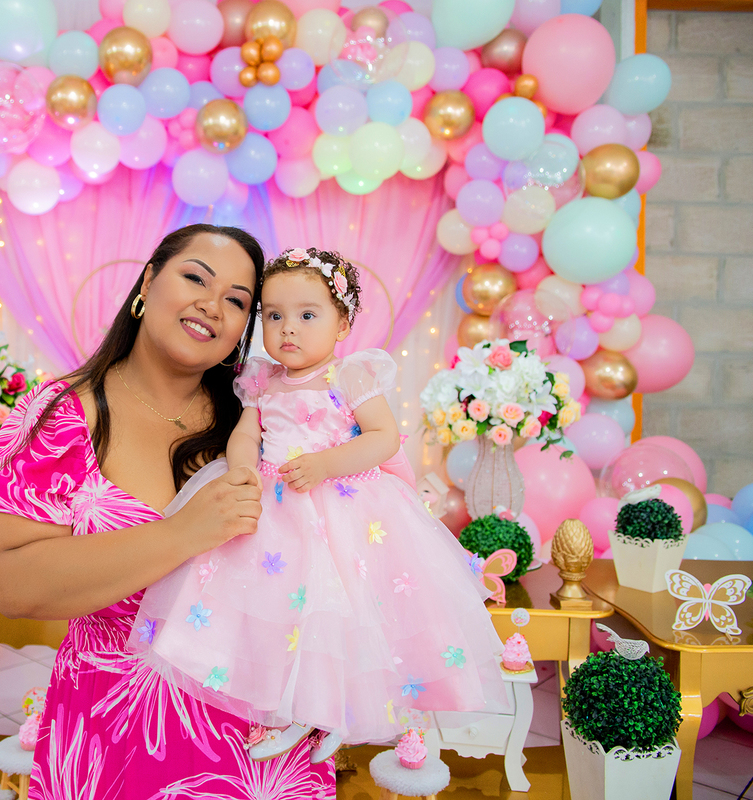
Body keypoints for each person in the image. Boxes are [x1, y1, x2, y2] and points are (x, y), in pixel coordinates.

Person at [0, 225, 337, 798]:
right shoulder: (62, 414)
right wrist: (183, 534)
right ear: (148, 281)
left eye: (238, 301)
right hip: (116, 738)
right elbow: (14, 585)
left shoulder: (270, 421)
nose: (211, 305)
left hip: (261, 748)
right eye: (195, 277)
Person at [131, 247, 509, 763]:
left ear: (342, 324)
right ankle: (288, 708)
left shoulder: (348, 376)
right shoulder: (262, 381)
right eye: (274, 315)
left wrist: (328, 464)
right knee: (278, 614)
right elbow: (246, 435)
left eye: (307, 316)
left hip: (342, 507)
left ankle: (333, 713)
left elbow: (382, 437)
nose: (288, 329)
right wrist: (242, 470)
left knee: (340, 612)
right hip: (276, 508)